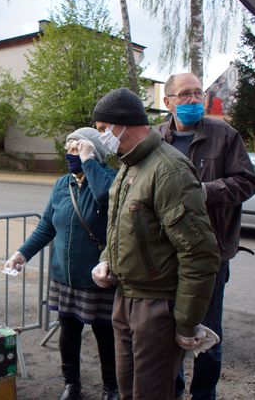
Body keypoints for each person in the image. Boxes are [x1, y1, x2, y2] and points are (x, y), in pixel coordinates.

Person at [91, 88, 220, 400]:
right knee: (128, 391)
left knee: (151, 394)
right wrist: (107, 259)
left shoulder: (168, 170)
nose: (100, 138)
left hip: (156, 306)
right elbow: (120, 227)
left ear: (122, 125)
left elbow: (199, 253)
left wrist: (186, 323)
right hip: (125, 297)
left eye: (102, 130)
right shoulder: (129, 165)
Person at [157, 73, 255, 400]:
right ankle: (172, 391)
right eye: (184, 94)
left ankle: (204, 395)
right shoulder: (157, 139)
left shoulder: (224, 135)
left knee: (207, 333)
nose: (193, 100)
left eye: (197, 93)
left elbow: (247, 182)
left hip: (210, 256)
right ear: (168, 101)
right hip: (166, 254)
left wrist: (205, 191)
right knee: (168, 331)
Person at [5, 127, 118, 400]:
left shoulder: (110, 180)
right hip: (64, 276)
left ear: (92, 152)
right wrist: (22, 253)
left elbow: (106, 197)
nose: (71, 155)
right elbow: (47, 226)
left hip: (97, 277)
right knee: (68, 331)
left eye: (77, 149)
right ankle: (71, 384)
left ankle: (111, 388)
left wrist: (91, 164)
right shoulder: (61, 184)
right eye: (68, 149)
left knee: (105, 333)